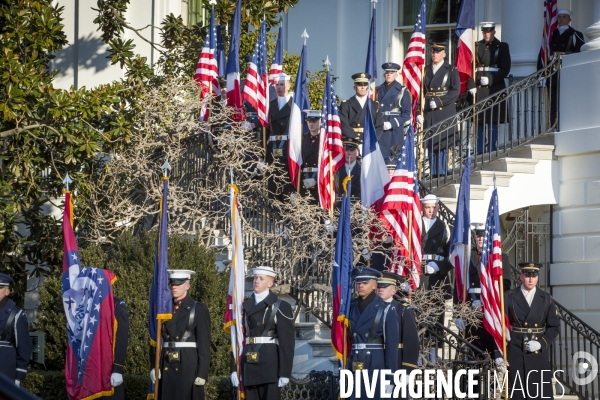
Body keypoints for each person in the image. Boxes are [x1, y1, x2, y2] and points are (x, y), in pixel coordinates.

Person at [453, 223, 513, 376]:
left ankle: (490, 390)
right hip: (470, 311)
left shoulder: (499, 256)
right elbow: (458, 287)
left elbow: (505, 285)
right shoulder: (467, 256)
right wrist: (457, 314)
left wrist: (486, 302)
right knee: (470, 354)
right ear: (474, 237)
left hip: (490, 311)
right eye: (478, 236)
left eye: (483, 236)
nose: (481, 239)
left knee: (490, 355)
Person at [230, 266, 295, 400]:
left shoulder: (280, 306)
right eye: (255, 278)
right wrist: (233, 368)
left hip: (269, 364)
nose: (256, 281)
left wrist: (285, 372)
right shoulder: (243, 306)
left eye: (261, 278)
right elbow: (237, 339)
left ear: (270, 284)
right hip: (249, 361)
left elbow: (287, 342)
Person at [150, 270, 211, 400]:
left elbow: (204, 343)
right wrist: (153, 366)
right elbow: (155, 338)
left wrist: (202, 373)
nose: (174, 287)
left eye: (178, 284)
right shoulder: (163, 309)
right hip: (166, 360)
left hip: (188, 363)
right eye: (172, 284)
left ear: (187, 286)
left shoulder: (198, 309)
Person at [504, 263, 560, 400]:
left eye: (534, 276)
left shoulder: (546, 298)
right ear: (521, 276)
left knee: (539, 392)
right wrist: (500, 353)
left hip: (537, 351)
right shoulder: (509, 296)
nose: (531, 279)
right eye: (527, 276)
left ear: (537, 278)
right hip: (516, 348)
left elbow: (554, 327)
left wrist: (542, 343)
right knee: (518, 392)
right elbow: (502, 324)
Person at [346, 267, 398, 399]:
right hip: (355, 361)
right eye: (358, 282)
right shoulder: (350, 307)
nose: (360, 286)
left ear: (374, 285)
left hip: (375, 363)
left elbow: (391, 348)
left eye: (365, 282)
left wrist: (390, 379)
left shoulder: (386, 309)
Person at [467, 22, 511, 155]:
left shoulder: (502, 46)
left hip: (494, 87)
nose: (486, 34)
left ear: (494, 32)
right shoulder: (476, 46)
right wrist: (471, 85)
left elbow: (505, 69)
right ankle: (480, 149)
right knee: (479, 120)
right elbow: (468, 67)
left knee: (492, 119)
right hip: (478, 86)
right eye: (484, 32)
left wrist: (491, 79)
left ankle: (491, 148)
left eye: (489, 31)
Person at [538, 9, 585, 127]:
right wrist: (542, 74)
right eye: (559, 17)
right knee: (554, 101)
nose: (561, 19)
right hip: (553, 70)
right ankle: (555, 125)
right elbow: (543, 54)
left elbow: (579, 55)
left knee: (567, 100)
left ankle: (567, 124)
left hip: (568, 70)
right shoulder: (550, 34)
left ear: (570, 19)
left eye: (564, 17)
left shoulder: (576, 34)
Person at [420, 194, 453, 362]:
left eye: (434, 208)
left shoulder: (444, 227)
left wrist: (439, 267)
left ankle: (432, 358)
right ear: (423, 208)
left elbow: (453, 255)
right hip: (419, 274)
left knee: (435, 317)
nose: (431, 211)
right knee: (418, 315)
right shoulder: (415, 223)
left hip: (437, 277)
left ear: (438, 208)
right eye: (427, 208)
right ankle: (418, 356)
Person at [419, 42, 460, 177]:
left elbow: (455, 91)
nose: (434, 54)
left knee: (442, 143)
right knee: (431, 143)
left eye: (437, 52)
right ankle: (433, 173)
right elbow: (422, 92)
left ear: (444, 54)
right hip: (429, 111)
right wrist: (419, 111)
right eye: (433, 52)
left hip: (444, 109)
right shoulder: (426, 70)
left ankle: (441, 174)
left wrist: (439, 101)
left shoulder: (451, 69)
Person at [377, 271, 419, 379]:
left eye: (385, 287)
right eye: (379, 287)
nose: (380, 289)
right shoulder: (373, 309)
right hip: (377, 362)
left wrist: (408, 370)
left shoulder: (402, 309)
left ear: (393, 291)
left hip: (398, 362)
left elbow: (411, 341)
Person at [267, 73, 295, 201]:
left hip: (288, 149)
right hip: (273, 148)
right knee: (273, 184)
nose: (279, 87)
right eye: (277, 85)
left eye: (282, 84)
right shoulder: (270, 105)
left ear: (288, 85)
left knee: (287, 185)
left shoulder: (294, 105)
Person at [0, 273, 30, 388]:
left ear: (7, 292)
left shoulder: (16, 314)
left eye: (0, 288)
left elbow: (23, 347)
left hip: (5, 369)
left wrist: (19, 376)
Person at [376, 62, 412, 158]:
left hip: (394, 130)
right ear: (384, 74)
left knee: (393, 159)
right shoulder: (377, 90)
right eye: (387, 72)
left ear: (396, 75)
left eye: (391, 72)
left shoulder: (402, 91)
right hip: (380, 127)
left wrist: (392, 123)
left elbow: (407, 113)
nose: (389, 74)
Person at [339, 73, 383, 144]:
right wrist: (357, 138)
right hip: (351, 142)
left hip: (369, 142)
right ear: (355, 87)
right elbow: (344, 125)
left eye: (365, 85)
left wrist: (371, 139)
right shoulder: (346, 104)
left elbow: (379, 126)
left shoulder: (375, 105)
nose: (362, 87)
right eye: (360, 85)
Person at [106, 297, 129, 400]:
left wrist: (118, 368)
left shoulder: (117, 305)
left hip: (108, 368)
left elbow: (121, 338)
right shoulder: (86, 305)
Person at [300, 110, 322, 205]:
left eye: (314, 121)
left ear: (320, 122)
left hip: (319, 180)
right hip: (304, 179)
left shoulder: (324, 140)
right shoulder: (302, 139)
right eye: (309, 121)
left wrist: (317, 179)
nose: (311, 124)